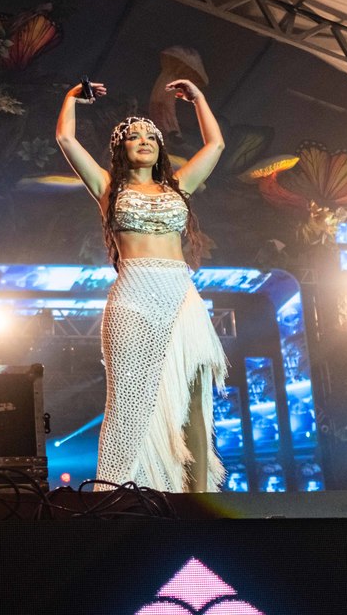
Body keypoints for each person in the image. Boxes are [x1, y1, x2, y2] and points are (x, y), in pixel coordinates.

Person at [56, 77, 228, 492]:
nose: (143, 140)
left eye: (150, 136)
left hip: (181, 295)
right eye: (133, 137)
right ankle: (119, 496)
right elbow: (65, 139)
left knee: (193, 401)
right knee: (129, 402)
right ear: (122, 149)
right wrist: (71, 98)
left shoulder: (179, 186)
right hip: (133, 295)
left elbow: (216, 145)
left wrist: (199, 100)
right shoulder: (107, 188)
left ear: (159, 148)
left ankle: (196, 501)